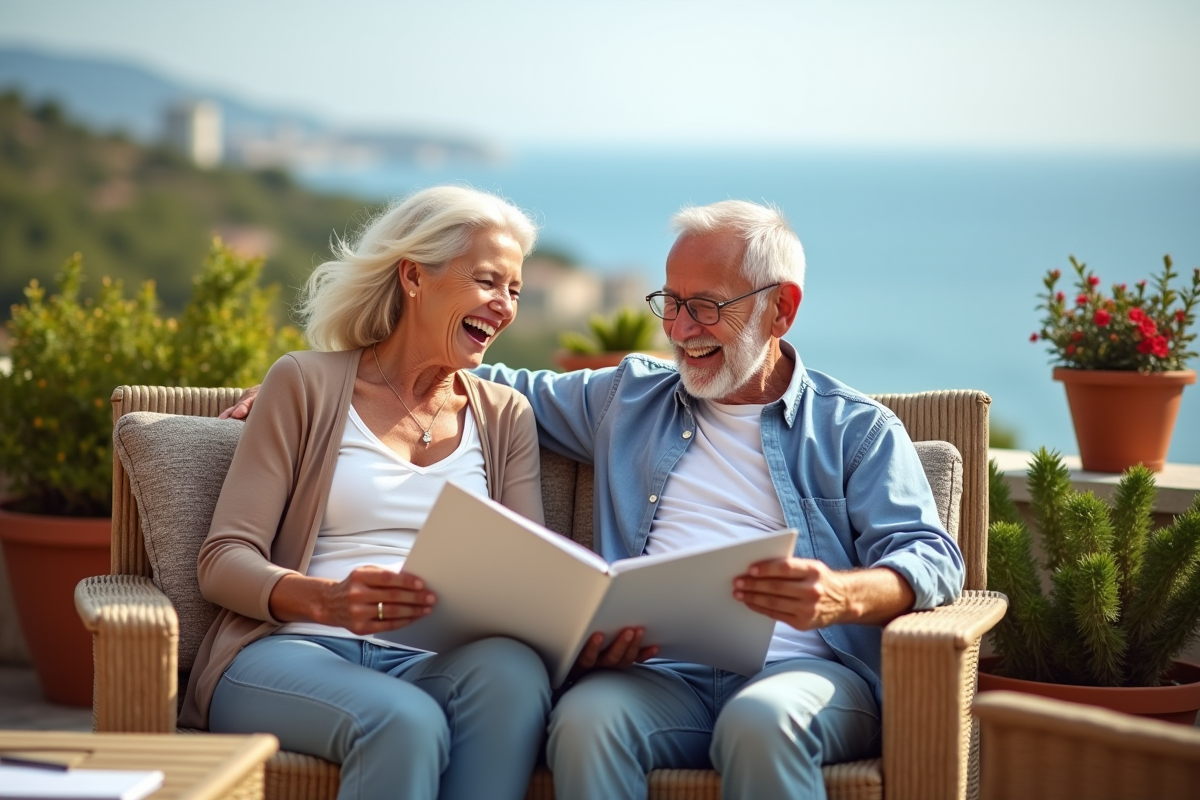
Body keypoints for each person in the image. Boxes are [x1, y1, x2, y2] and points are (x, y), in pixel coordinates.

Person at [225, 199, 966, 800]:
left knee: (760, 725)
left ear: (781, 310)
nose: (679, 330)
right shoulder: (629, 396)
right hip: (657, 674)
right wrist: (314, 384)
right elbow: (472, 383)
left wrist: (841, 595)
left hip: (803, 672)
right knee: (583, 720)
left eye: (704, 308)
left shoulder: (856, 428)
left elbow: (932, 558)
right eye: (669, 304)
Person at [185, 185, 551, 800]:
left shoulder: (506, 414)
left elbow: (532, 572)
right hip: (294, 649)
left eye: (513, 290)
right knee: (404, 721)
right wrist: (326, 601)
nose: (504, 306)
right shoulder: (303, 383)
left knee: (514, 676)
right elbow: (223, 560)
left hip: (436, 658)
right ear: (414, 276)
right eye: (488, 282)